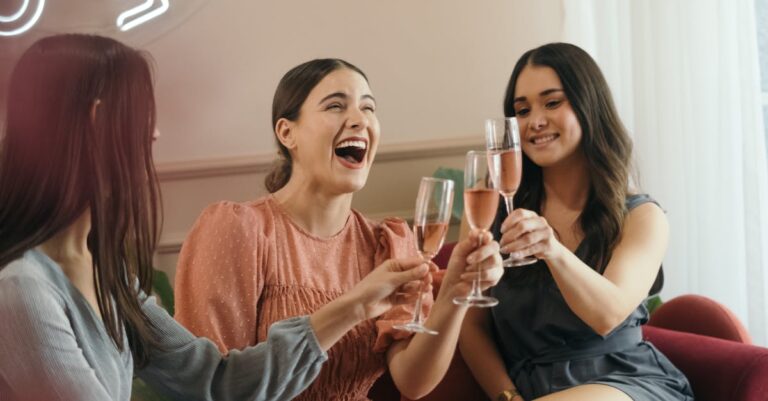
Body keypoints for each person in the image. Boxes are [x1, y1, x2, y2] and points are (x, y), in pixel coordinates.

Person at [0, 34, 436, 401]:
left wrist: (358, 304)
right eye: (143, 113)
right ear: (97, 121)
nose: (154, 132)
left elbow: (218, 382)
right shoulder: (23, 290)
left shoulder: (109, 280)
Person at [174, 58, 504, 401]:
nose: (360, 120)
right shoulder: (238, 229)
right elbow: (210, 387)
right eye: (335, 105)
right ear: (287, 133)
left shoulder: (387, 243)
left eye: (368, 108)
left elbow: (413, 381)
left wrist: (454, 292)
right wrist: (355, 304)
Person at [458, 43, 694, 401]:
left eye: (552, 102)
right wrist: (507, 396)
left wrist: (551, 249)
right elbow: (471, 326)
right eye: (522, 110)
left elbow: (608, 314)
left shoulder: (642, 217)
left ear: (588, 105)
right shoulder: (492, 208)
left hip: (626, 383)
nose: (534, 121)